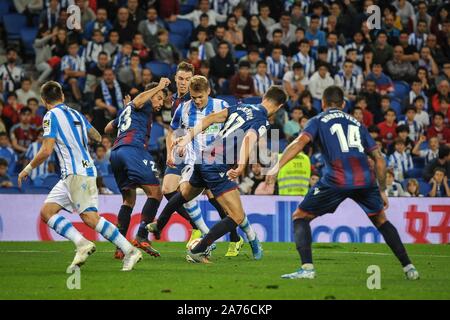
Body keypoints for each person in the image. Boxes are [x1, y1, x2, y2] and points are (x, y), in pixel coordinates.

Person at [265, 86, 418, 280]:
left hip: (336, 179)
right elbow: (379, 158)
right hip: (365, 179)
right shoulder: (357, 123)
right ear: (344, 104)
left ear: (323, 103)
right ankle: (409, 268)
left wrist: (277, 165)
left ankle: (307, 269)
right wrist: (382, 189)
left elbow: (299, 143)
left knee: (300, 216)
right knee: (381, 220)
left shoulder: (318, 120)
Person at [152, 85, 289, 263]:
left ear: (264, 96)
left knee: (185, 194)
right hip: (217, 164)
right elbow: (248, 139)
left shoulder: (242, 107)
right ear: (279, 107)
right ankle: (198, 250)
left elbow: (209, 119)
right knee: (236, 216)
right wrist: (240, 166)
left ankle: (159, 224)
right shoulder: (262, 120)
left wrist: (186, 139)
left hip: (204, 157)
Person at [17, 81, 142, 271]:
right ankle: (82, 244)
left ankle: (130, 250)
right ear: (63, 96)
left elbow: (46, 149)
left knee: (90, 218)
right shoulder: (76, 113)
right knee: (47, 212)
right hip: (74, 173)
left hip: (77, 173)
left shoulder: (50, 116)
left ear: (43, 100)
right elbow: (97, 136)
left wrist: (27, 168)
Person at [104, 78, 171, 260]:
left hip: (116, 153)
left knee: (128, 200)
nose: (159, 103)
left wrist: (126, 111)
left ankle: (119, 246)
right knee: (156, 192)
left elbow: (108, 128)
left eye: (162, 100)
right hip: (133, 150)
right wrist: (158, 87)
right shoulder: (145, 103)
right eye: (158, 98)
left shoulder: (130, 109)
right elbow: (140, 101)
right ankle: (142, 235)